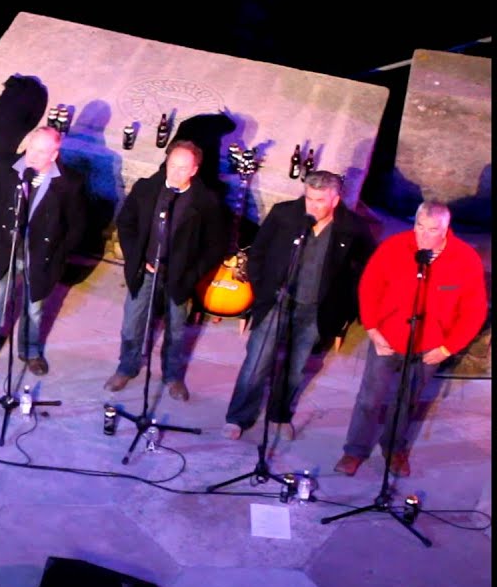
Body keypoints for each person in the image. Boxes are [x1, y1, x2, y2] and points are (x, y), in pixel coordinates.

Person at [334, 201, 487, 477]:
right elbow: (370, 287)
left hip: (430, 347)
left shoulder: (465, 259)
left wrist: (447, 348)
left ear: (445, 229)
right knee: (370, 398)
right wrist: (372, 329)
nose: (424, 236)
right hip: (387, 339)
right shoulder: (393, 247)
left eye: (432, 230)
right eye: (419, 227)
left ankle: (394, 448)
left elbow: (474, 311)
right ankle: (354, 450)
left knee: (406, 401)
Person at [222, 171, 375, 440]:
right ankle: (238, 417)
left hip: (315, 309)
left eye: (319, 200)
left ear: (335, 200)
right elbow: (258, 253)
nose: (312, 205)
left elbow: (364, 271)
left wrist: (346, 308)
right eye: (308, 198)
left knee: (295, 367)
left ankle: (279, 415)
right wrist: (262, 291)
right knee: (256, 363)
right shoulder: (284, 215)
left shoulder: (352, 228)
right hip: (277, 302)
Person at [0, 125, 86, 379]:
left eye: (40, 152)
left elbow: (76, 224)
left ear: (54, 154)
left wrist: (58, 252)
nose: (32, 156)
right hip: (4, 250)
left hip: (40, 257)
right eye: (31, 148)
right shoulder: (7, 170)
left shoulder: (70, 183)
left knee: (34, 308)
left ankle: (30, 351)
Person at [104, 140, 226, 401]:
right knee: (131, 324)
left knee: (176, 330)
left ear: (194, 170)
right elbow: (126, 222)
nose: (176, 172)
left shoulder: (205, 201)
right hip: (145, 271)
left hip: (179, 276)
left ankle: (172, 376)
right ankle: (127, 367)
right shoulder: (147, 188)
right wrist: (136, 258)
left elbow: (215, 245)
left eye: (183, 168)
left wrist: (192, 274)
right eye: (172, 165)